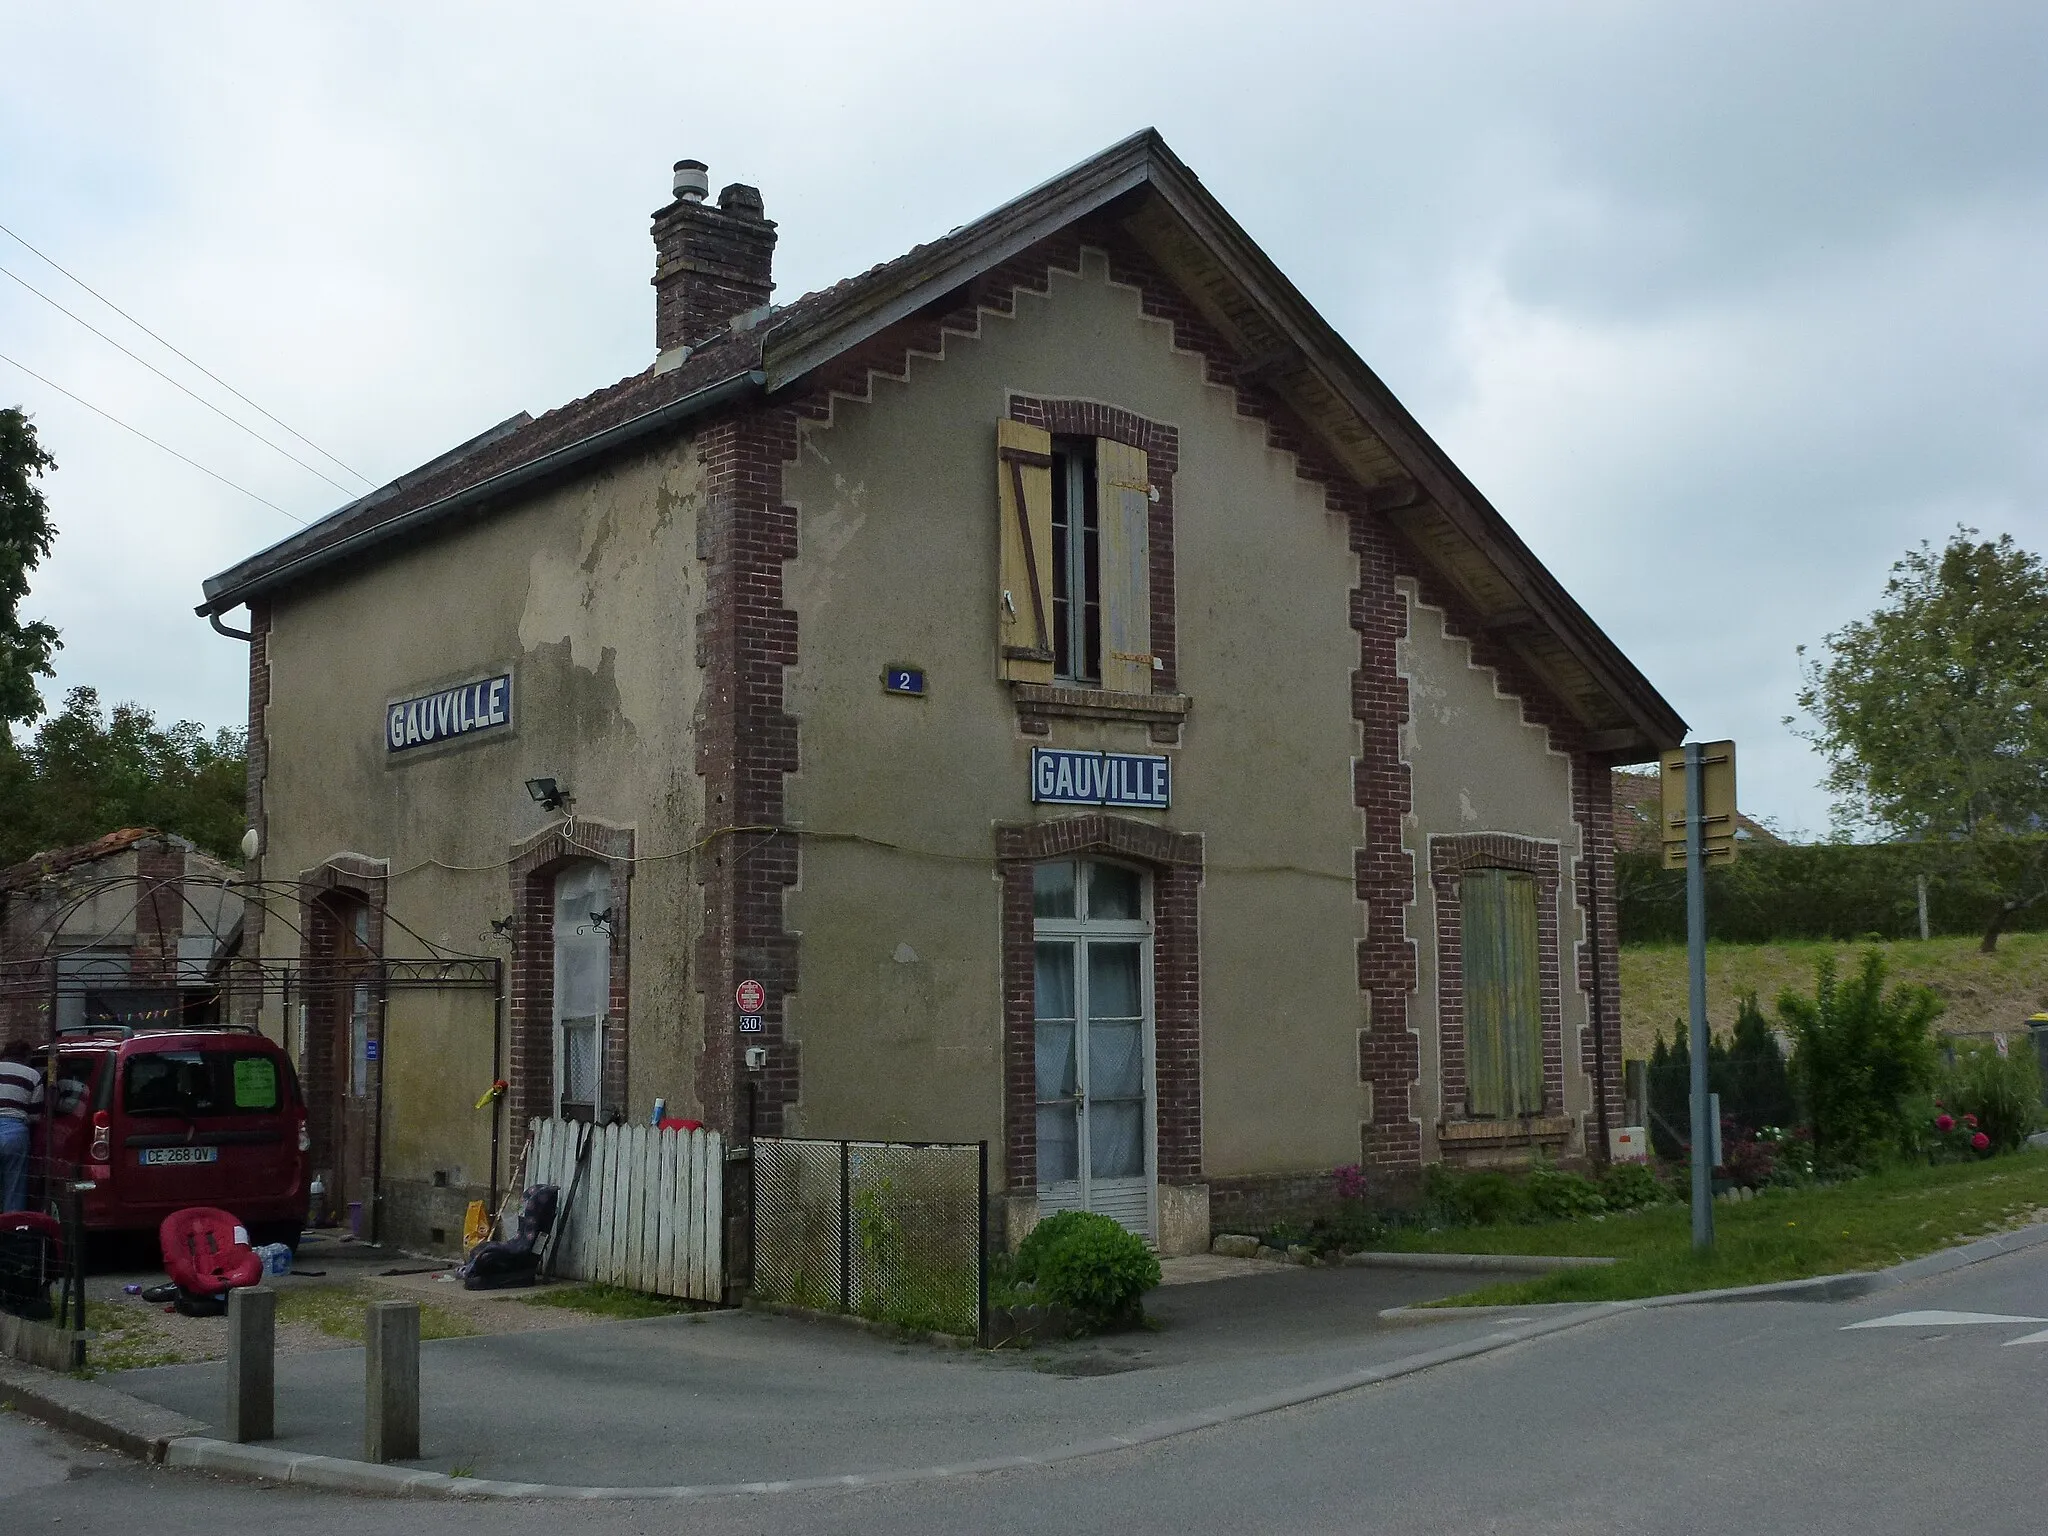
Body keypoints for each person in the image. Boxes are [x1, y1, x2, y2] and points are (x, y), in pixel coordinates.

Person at [0, 1040, 44, 1213]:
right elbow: (35, 1115)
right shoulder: (33, 1075)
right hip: (15, 1133)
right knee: (15, 1185)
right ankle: (12, 1231)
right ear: (27, 1056)